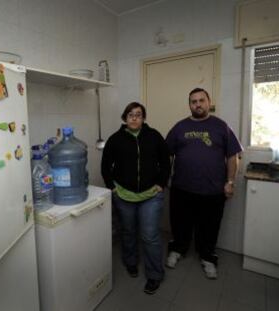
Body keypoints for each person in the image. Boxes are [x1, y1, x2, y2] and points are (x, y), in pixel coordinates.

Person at [165, 88, 243, 279]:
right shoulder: (179, 127)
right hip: (182, 187)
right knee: (179, 222)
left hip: (213, 190)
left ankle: (208, 257)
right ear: (189, 105)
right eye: (193, 101)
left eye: (201, 100)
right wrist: (166, 177)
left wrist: (230, 182)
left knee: (209, 225)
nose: (198, 104)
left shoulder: (221, 126)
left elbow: (233, 156)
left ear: (209, 102)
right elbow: (167, 154)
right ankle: (178, 249)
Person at [101, 102, 170, 294]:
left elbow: (166, 160)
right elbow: (106, 165)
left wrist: (161, 183)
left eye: (138, 114)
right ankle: (131, 262)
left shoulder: (154, 136)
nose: (134, 118)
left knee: (149, 236)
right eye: (130, 114)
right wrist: (112, 188)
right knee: (129, 232)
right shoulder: (115, 139)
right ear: (125, 118)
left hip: (151, 195)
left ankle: (155, 275)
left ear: (143, 118)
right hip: (124, 195)